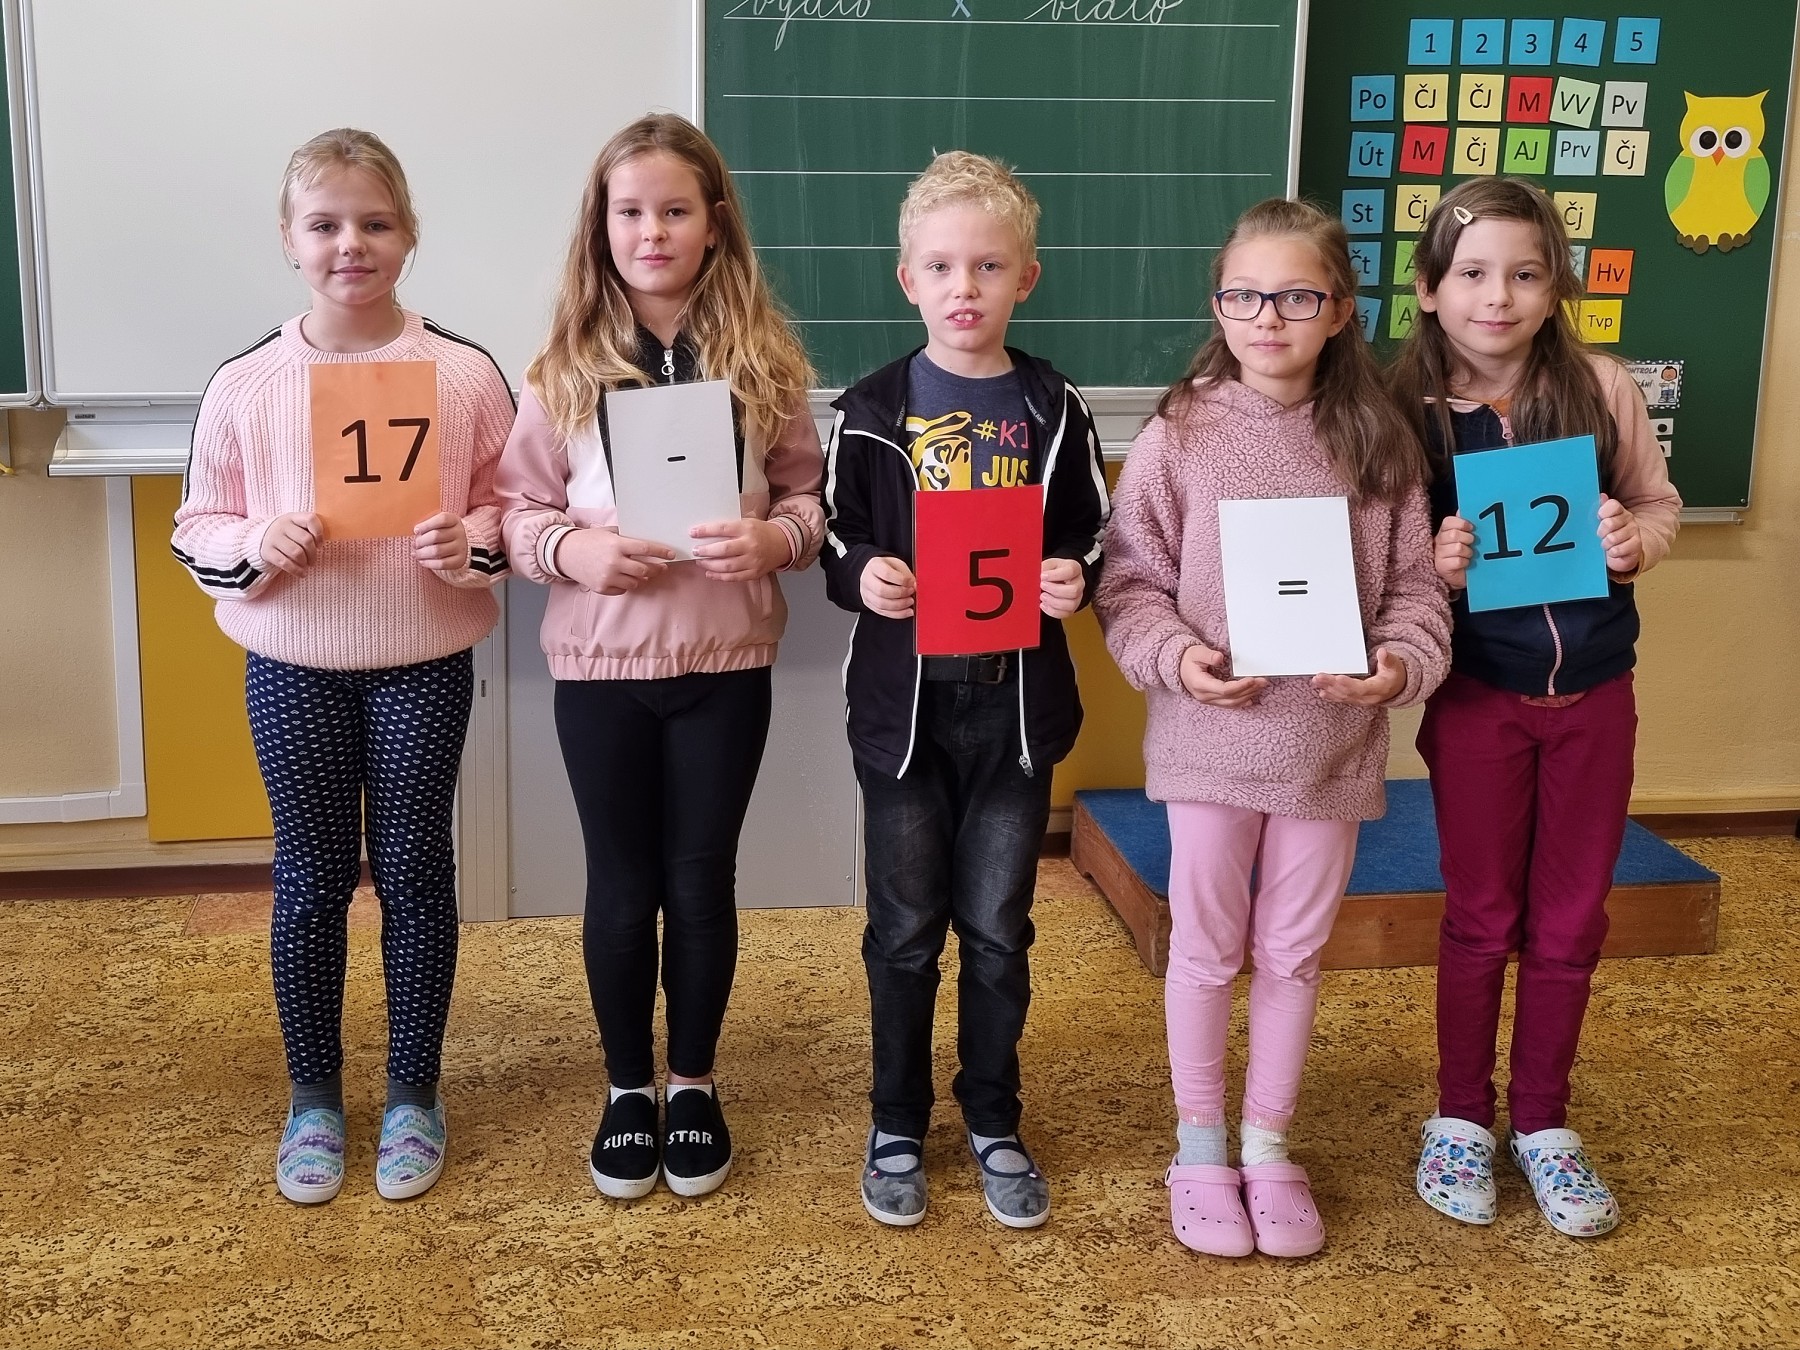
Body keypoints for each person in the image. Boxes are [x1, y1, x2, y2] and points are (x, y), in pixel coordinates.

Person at [1095, 198, 1450, 1258]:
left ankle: (1267, 1141)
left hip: (1326, 748)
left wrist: (1396, 667)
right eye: (1244, 297)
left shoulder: (1380, 443)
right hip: (1210, 743)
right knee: (1206, 950)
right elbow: (1130, 582)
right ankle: (1200, 1144)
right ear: (1219, 306)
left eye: (1296, 297)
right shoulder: (1180, 434)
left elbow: (1416, 593)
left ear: (1339, 310)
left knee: (1293, 955)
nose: (1267, 318)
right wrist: (1177, 659)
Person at [171, 128, 514, 1204]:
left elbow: (517, 505)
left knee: (415, 873)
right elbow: (197, 523)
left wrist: (472, 542)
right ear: (289, 239)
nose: (350, 244)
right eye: (324, 225)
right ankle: (314, 1097)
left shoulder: (463, 374)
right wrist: (253, 542)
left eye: (375, 223)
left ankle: (414, 1092)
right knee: (311, 880)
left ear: (409, 236)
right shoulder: (247, 382)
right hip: (294, 665)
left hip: (422, 663)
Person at [497, 113, 824, 1201]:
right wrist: (575, 550)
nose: (653, 231)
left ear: (714, 224)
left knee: (700, 879)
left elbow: (808, 498)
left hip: (724, 662)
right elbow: (516, 514)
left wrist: (776, 541)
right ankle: (626, 1088)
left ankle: (693, 1082)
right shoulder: (560, 370)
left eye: (675, 210)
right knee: (620, 881)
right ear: (601, 228)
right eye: (630, 212)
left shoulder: (765, 364)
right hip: (601, 668)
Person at [821, 151, 1109, 1230]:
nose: (965, 288)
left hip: (1014, 713)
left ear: (1025, 277)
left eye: (989, 266)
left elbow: (1090, 531)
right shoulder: (870, 408)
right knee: (903, 931)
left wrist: (1074, 574)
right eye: (942, 266)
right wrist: (864, 574)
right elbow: (837, 535)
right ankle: (897, 1120)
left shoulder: (1053, 406)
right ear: (908, 279)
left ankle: (992, 1115)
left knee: (997, 928)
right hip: (906, 714)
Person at [1391, 178, 1681, 1238]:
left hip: (1597, 697)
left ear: (1556, 286)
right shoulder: (1403, 414)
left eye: (1524, 274)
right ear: (1429, 289)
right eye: (1472, 274)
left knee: (1571, 920)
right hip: (1480, 701)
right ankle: (1461, 1117)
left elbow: (1657, 503)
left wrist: (1636, 543)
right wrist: (1435, 569)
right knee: (1481, 916)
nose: (1497, 297)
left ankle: (1545, 1123)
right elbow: (1384, 567)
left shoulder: (1599, 389)